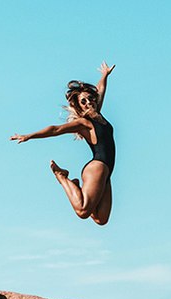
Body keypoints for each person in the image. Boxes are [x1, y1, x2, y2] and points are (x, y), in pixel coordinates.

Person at [11, 62, 116, 225]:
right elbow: (55, 129)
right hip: (97, 167)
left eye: (90, 99)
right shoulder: (85, 123)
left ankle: (77, 187)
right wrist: (29, 136)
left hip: (107, 173)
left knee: (100, 219)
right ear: (79, 107)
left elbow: (100, 91)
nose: (89, 103)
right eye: (83, 101)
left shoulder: (98, 115)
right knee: (82, 210)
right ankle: (62, 177)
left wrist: (104, 75)